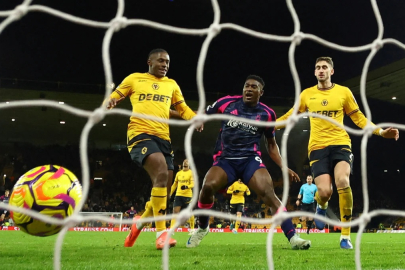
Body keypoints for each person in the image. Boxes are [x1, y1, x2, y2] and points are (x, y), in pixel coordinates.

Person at [277, 56, 399, 249]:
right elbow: (291, 115)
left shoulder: (344, 92)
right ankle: (322, 206)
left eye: (325, 67)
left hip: (341, 143)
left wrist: (380, 131)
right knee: (325, 191)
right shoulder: (307, 94)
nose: (321, 70)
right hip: (317, 147)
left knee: (343, 181)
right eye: (317, 67)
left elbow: (358, 118)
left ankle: (345, 236)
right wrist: (272, 125)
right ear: (315, 72)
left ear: (331, 71)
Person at [186, 75, 311, 250]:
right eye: (246, 86)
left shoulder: (267, 114)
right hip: (225, 159)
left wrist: (283, 166)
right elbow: (204, 114)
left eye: (254, 87)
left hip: (250, 160)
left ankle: (293, 237)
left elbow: (271, 145)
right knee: (207, 187)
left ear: (261, 92)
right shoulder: (227, 103)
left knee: (269, 193)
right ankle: (202, 228)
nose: (249, 89)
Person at [106, 48, 200, 250]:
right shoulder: (134, 79)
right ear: (149, 61)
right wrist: (111, 100)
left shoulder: (171, 84)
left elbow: (182, 108)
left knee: (163, 191)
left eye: (167, 62)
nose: (165, 65)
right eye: (160, 61)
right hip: (139, 134)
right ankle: (161, 234)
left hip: (163, 139)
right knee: (158, 169)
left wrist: (194, 118)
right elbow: (115, 95)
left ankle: (138, 224)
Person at [169, 159, 195, 234]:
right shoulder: (178, 173)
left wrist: (186, 187)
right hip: (178, 195)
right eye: (184, 161)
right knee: (175, 212)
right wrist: (170, 193)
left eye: (187, 162)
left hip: (187, 195)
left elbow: (192, 184)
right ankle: (171, 229)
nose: (185, 162)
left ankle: (192, 229)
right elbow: (174, 184)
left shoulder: (191, 173)